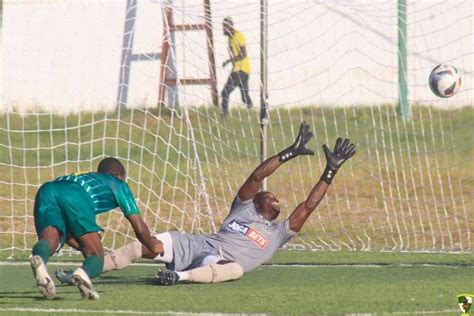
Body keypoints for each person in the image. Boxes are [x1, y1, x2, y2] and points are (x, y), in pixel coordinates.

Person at [55, 122, 356, 286]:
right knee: (141, 246)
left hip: (216, 264)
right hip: (198, 244)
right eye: (269, 194)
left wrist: (331, 170)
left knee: (235, 270)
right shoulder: (244, 207)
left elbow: (308, 205)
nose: (274, 196)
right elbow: (257, 174)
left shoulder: (278, 232)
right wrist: (289, 152)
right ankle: (82, 274)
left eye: (277, 201)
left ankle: (179, 277)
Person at [30, 157, 163, 300]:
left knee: (49, 242)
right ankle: (83, 274)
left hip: (47, 190)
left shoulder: (87, 177)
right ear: (118, 175)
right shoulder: (118, 184)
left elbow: (69, 234)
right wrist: (152, 245)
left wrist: (84, 246)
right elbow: (139, 226)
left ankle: (39, 260)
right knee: (97, 257)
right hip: (75, 194)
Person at [221, 16, 253, 118]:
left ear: (230, 26)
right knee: (244, 96)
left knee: (225, 92)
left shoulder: (238, 36)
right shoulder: (230, 39)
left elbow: (243, 54)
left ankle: (223, 117)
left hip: (241, 70)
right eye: (223, 26)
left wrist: (229, 61)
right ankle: (251, 110)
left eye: (225, 26)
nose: (223, 29)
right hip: (241, 70)